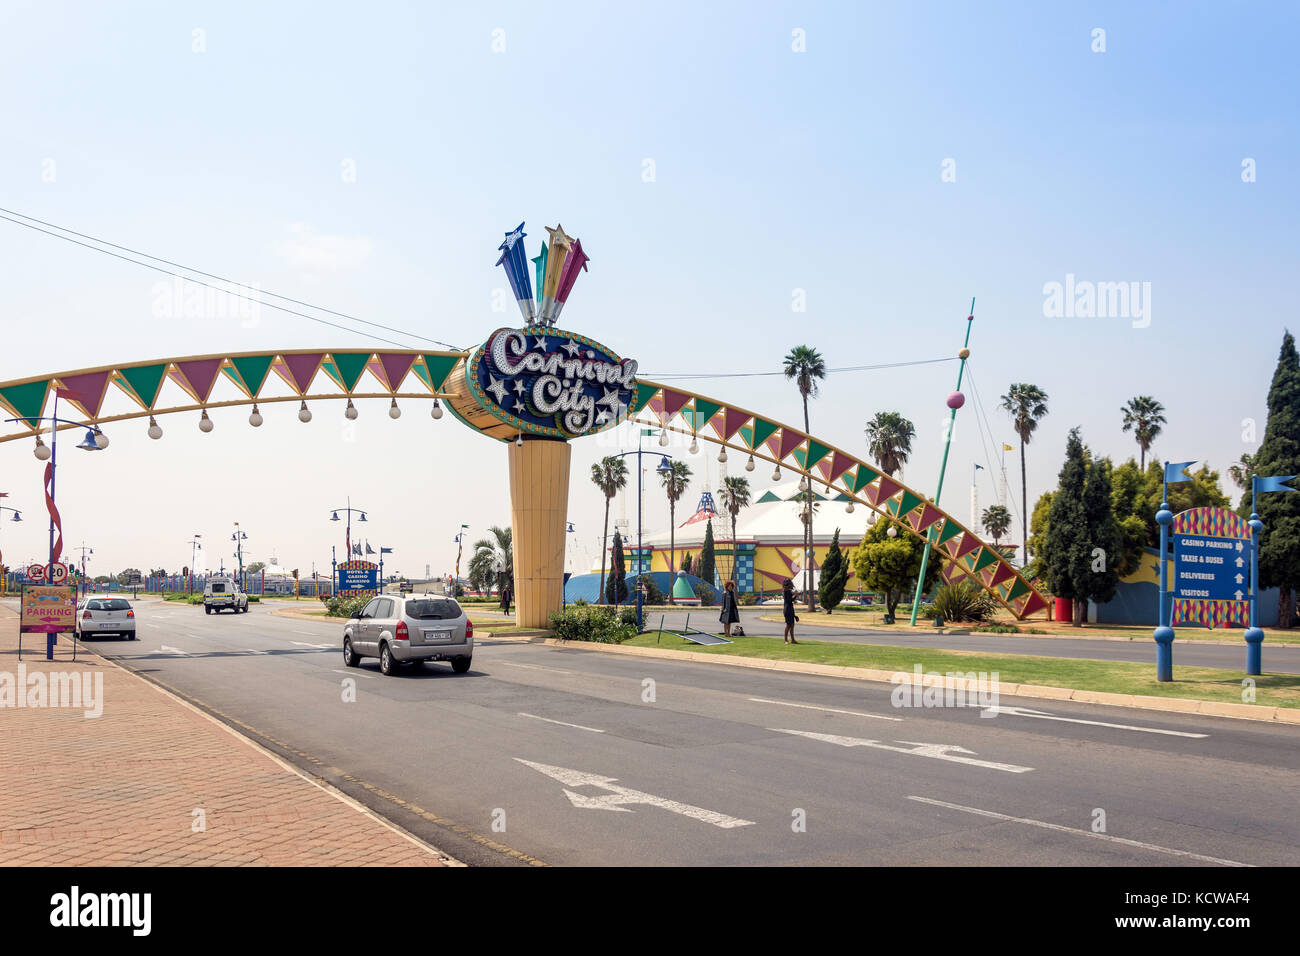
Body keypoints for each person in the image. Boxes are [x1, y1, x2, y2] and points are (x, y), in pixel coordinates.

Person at [782, 578, 799, 644]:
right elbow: (789, 601)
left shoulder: (787, 591)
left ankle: (792, 640)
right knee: (789, 625)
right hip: (788, 609)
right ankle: (785, 640)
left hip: (789, 609)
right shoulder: (786, 591)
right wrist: (796, 596)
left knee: (792, 625)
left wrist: (795, 596)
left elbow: (791, 599)